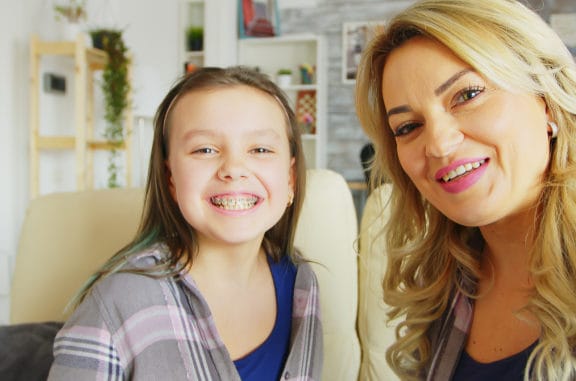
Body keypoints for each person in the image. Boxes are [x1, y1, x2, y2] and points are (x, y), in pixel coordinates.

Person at [48, 66, 323, 380]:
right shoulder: (116, 303)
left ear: (290, 179)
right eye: (205, 149)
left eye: (260, 149)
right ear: (170, 179)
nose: (233, 168)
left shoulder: (302, 282)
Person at [355, 0, 576, 380]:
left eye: (467, 95)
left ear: (548, 104)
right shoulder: (445, 285)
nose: (438, 144)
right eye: (408, 127)